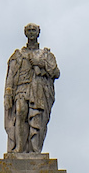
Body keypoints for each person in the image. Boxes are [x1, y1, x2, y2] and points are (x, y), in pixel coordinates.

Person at [4, 23, 59, 153]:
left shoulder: (45, 54)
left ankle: (35, 149)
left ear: (38, 32)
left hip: (37, 90)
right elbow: (10, 76)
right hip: (21, 88)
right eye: (29, 30)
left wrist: (41, 63)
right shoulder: (18, 55)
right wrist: (8, 93)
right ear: (25, 33)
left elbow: (56, 72)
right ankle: (19, 148)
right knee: (20, 112)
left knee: (36, 118)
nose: (31, 32)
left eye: (34, 30)